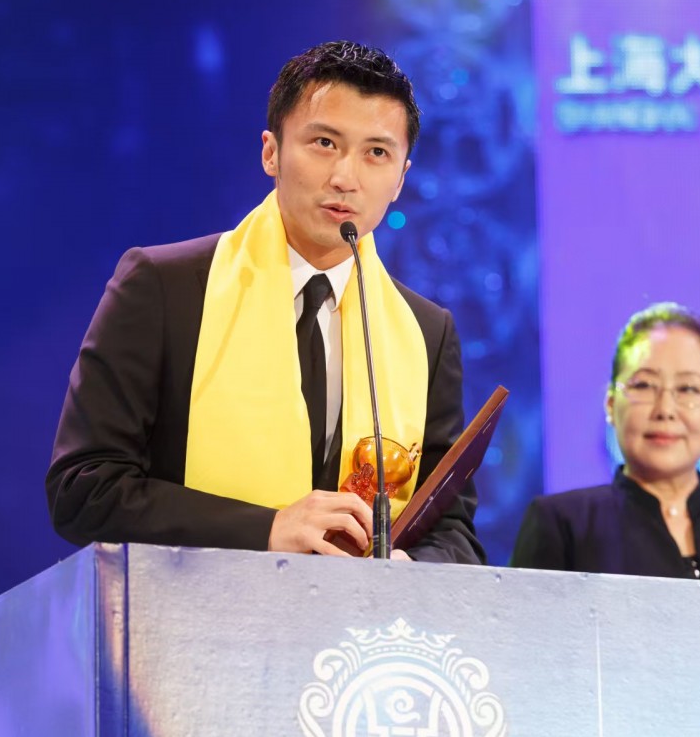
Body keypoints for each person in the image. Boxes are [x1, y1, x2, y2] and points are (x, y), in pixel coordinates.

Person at [46, 40, 486, 564]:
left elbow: (451, 528)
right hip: (194, 610)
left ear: (401, 179)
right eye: (324, 142)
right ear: (270, 152)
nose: (346, 178)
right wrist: (268, 530)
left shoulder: (426, 333)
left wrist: (409, 567)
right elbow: (83, 488)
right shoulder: (164, 287)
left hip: (363, 616)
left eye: (376, 153)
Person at [511, 303, 700, 580]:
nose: (665, 410)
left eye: (688, 388)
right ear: (611, 403)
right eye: (644, 385)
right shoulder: (562, 524)